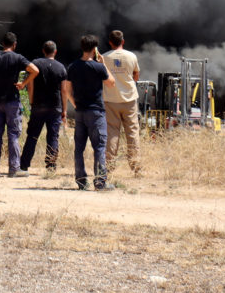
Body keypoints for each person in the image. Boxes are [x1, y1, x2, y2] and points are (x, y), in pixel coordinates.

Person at [0, 33, 39, 177]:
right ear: (14, 44)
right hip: (12, 101)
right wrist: (23, 84)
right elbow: (35, 70)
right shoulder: (17, 58)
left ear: (2, 43)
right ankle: (14, 168)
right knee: (13, 134)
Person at [66, 34, 116, 190]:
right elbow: (111, 83)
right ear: (95, 49)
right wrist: (103, 63)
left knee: (79, 148)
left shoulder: (73, 66)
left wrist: (75, 104)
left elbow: (67, 90)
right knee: (99, 147)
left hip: (80, 112)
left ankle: (81, 182)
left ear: (82, 47)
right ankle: (100, 183)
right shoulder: (98, 67)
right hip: (96, 112)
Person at [19, 40, 69, 173]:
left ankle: (24, 165)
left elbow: (30, 85)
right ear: (55, 52)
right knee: (53, 137)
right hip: (55, 107)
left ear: (43, 51)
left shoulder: (36, 64)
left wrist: (31, 102)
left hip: (38, 105)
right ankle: (51, 166)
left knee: (32, 135)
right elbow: (64, 91)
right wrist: (64, 110)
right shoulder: (61, 67)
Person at [102, 29, 141, 175]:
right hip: (129, 99)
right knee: (132, 132)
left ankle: (109, 167)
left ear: (110, 42)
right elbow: (136, 75)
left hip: (110, 100)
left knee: (112, 133)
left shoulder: (104, 58)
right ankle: (136, 167)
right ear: (123, 41)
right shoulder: (131, 56)